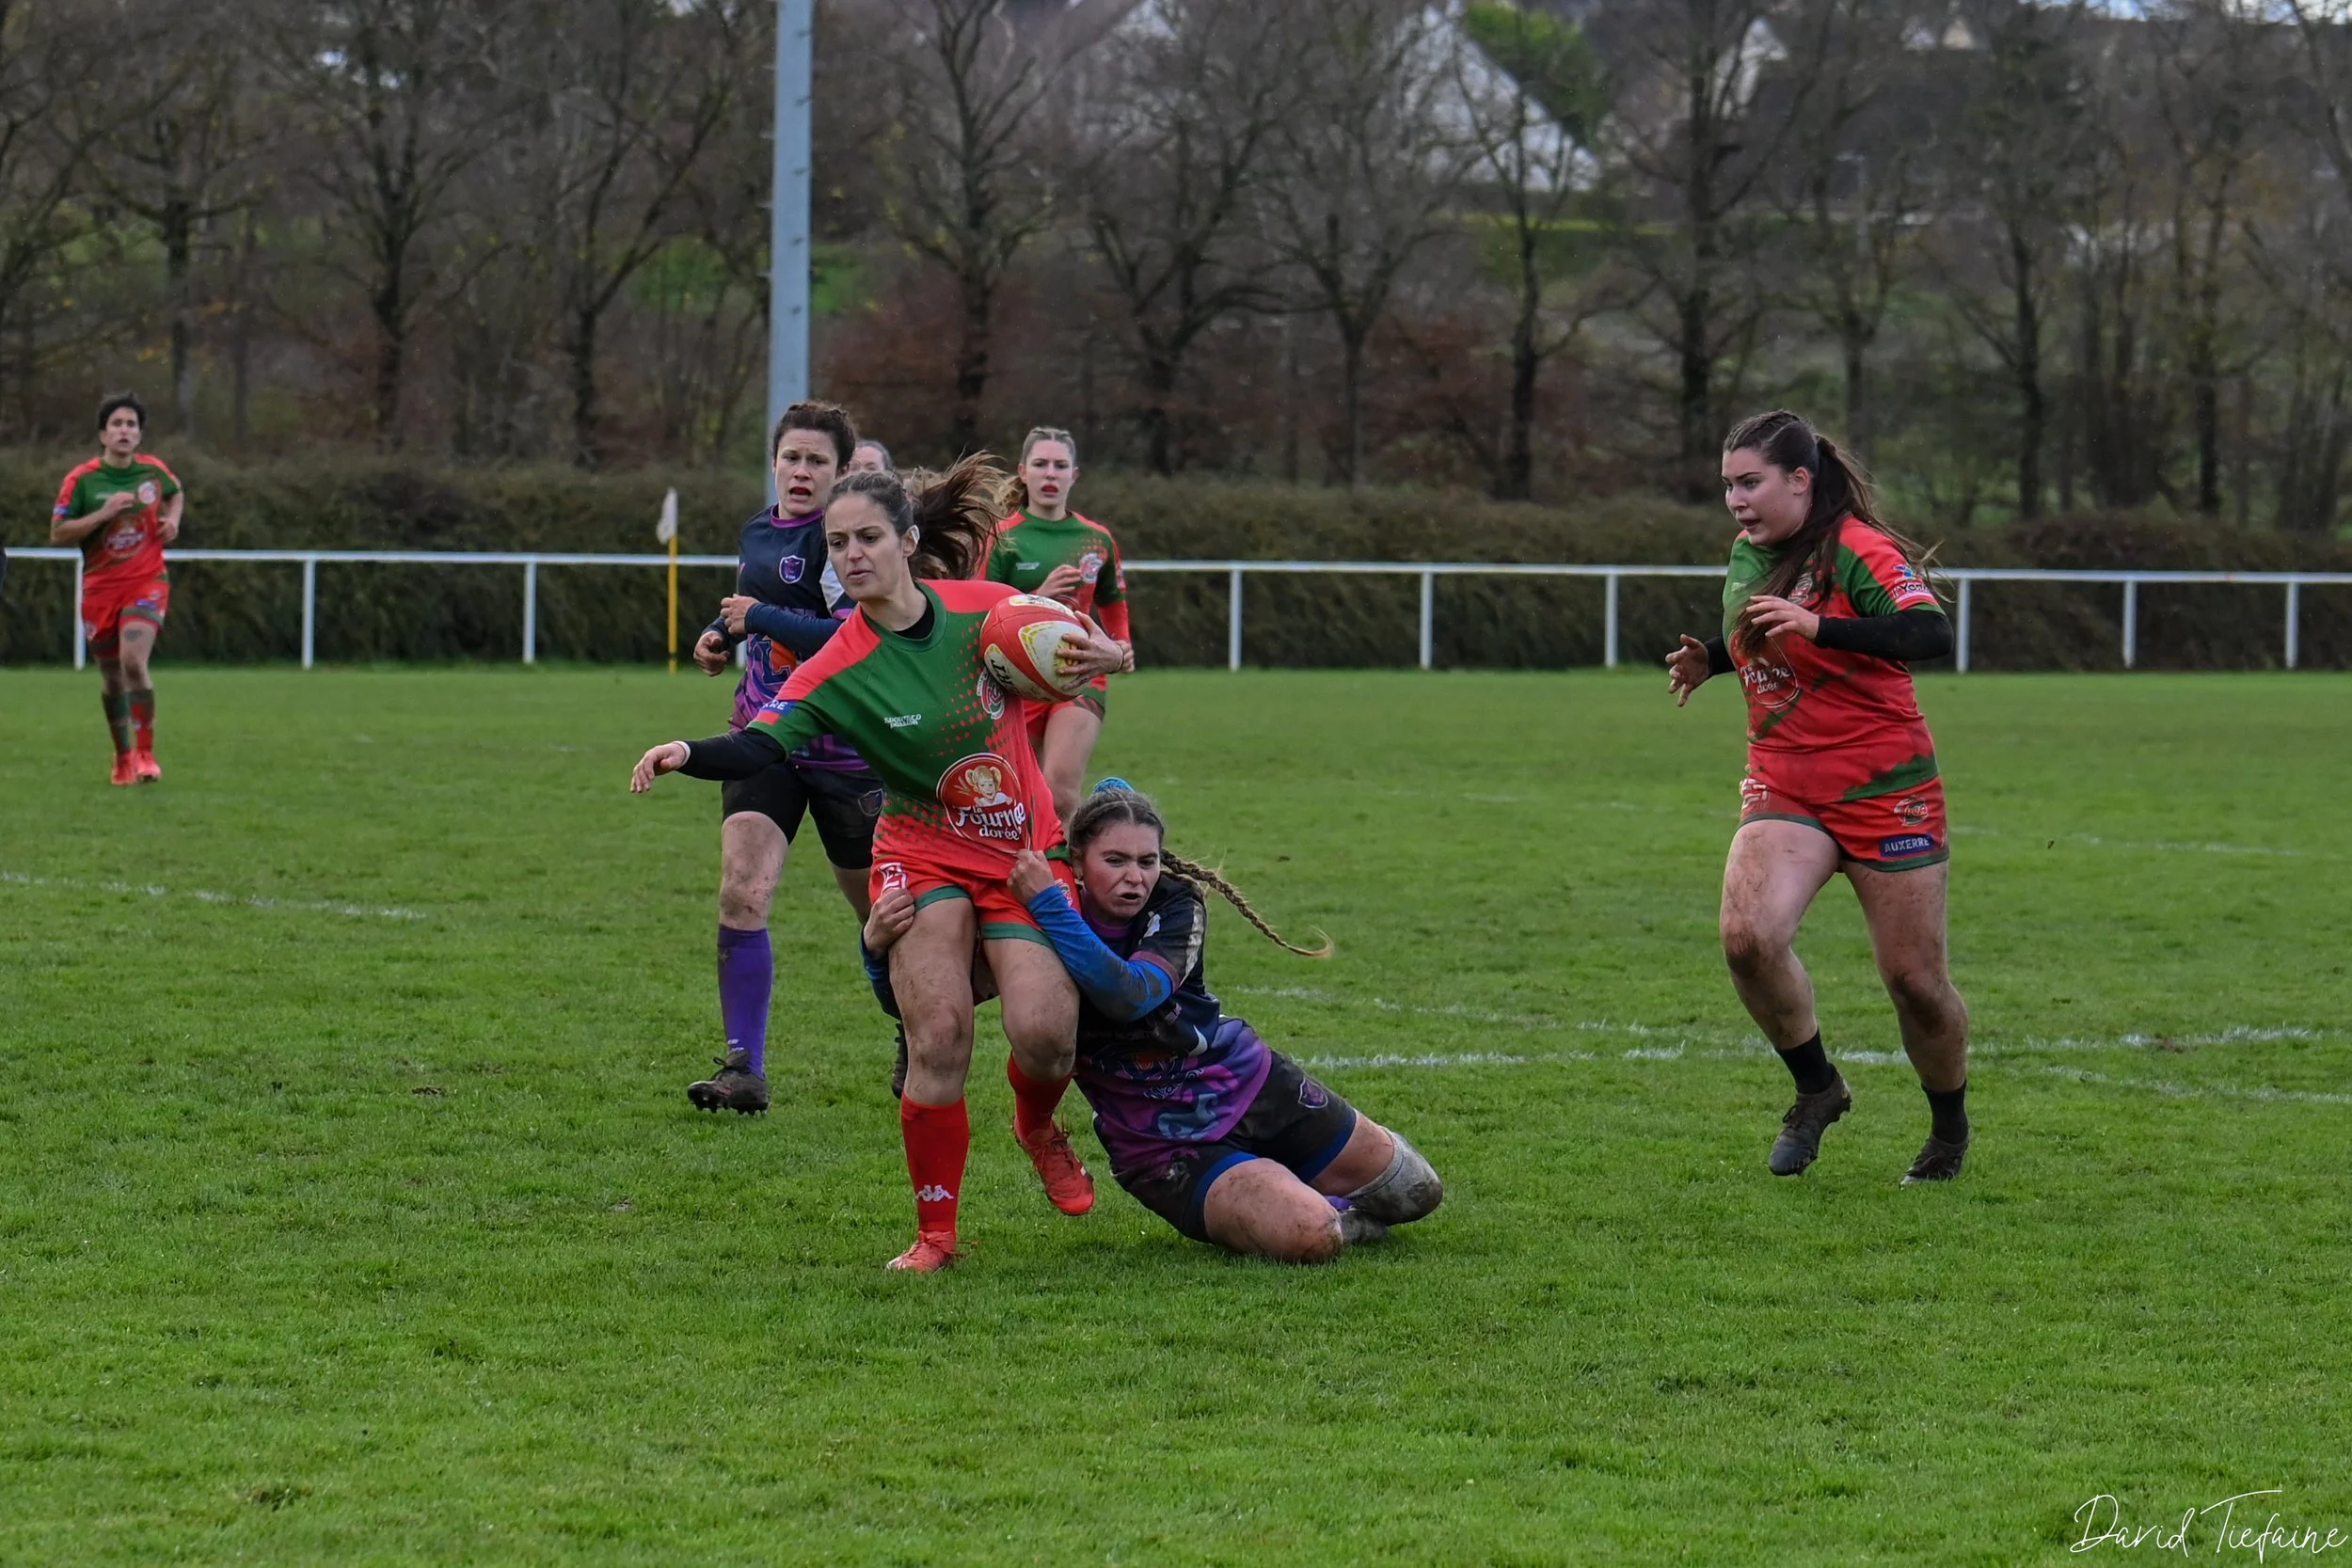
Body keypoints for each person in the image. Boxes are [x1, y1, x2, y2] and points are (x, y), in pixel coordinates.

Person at [631, 460, 1129, 1271]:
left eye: (867, 537)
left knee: (1045, 1037)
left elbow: (1069, 644)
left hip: (1018, 851)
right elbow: (763, 742)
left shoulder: (987, 610)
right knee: (939, 1037)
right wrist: (687, 750)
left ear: (906, 540)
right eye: (837, 544)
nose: (852, 554)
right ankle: (936, 1235)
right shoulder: (835, 664)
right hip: (920, 854)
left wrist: (1101, 653)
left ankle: (1036, 1123)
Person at [864, 783, 1439, 1262]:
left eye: (1147, 860)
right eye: (1115, 861)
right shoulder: (1030, 932)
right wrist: (876, 947)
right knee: (1311, 1237)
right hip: (1161, 1147)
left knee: (1418, 1192)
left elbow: (1130, 995)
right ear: (1078, 864)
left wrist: (1050, 907)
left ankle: (1286, 1184)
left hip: (1252, 1086)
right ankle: (1308, 1205)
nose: (1134, 877)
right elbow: (928, 1011)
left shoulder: (1175, 905)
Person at [1665, 409, 1970, 1184]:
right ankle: (1817, 1088)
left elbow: (1930, 633)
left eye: (1751, 482)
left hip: (1885, 785)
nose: (1735, 499)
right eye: (1728, 484)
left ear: (1800, 480)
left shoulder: (1857, 549)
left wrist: (1820, 626)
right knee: (1748, 937)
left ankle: (1947, 1129)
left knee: (1916, 984)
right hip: (1785, 778)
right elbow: (1765, 626)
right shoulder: (1748, 552)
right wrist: (1714, 656)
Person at [681, 402, 883, 1116]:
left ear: (839, 471)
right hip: (764, 736)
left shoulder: (847, 546)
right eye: (792, 457)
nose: (802, 471)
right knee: (743, 888)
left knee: (880, 916)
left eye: (818, 461)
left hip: (843, 750)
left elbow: (847, 639)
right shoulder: (760, 530)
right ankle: (743, 1068)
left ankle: (917, 1030)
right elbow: (752, 601)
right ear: (774, 461)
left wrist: (755, 619)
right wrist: (717, 636)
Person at [984, 427, 1132, 827]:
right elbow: (981, 609)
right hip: (1020, 679)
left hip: (1079, 672)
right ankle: (1040, 879)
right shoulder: (1003, 537)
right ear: (1023, 472)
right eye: (1041, 464)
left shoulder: (1095, 538)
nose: (1050, 474)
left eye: (1060, 466)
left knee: (1061, 790)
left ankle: (1073, 886)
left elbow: (1112, 598)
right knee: (1025, 798)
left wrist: (1120, 643)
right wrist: (1038, 596)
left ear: (1074, 475)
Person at [50, 392, 183, 784]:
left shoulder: (154, 472)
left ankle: (146, 754)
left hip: (146, 581)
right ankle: (122, 756)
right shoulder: (82, 480)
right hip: (100, 590)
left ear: (139, 436)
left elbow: (176, 493)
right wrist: (103, 514)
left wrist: (172, 521)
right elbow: (57, 533)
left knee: (133, 663)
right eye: (117, 424)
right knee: (111, 677)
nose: (125, 431)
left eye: (132, 425)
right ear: (103, 435)